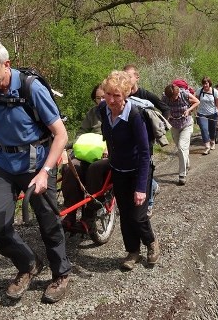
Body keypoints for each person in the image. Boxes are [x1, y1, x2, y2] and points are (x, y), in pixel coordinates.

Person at [0, 38, 71, 303]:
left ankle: (61, 273)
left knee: (49, 224)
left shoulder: (32, 89)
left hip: (38, 164)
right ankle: (29, 264)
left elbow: (61, 134)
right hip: (5, 167)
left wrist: (45, 171)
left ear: (6, 64)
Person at [99, 70, 160, 270]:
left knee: (137, 215)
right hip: (118, 169)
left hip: (138, 169)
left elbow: (144, 153)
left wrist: (141, 187)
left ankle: (151, 242)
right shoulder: (103, 109)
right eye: (108, 93)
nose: (111, 99)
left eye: (117, 95)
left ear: (125, 95)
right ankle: (132, 251)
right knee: (125, 213)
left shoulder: (135, 115)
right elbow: (107, 133)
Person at [61, 84, 110, 231]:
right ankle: (70, 213)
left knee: (94, 169)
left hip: (108, 152)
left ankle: (89, 215)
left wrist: (109, 147)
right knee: (71, 167)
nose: (101, 100)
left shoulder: (117, 111)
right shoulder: (92, 113)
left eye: (104, 97)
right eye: (98, 98)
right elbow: (81, 132)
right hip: (88, 150)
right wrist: (78, 145)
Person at [123, 64, 170, 217]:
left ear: (137, 77)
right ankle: (154, 186)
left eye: (129, 76)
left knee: (146, 167)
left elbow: (165, 108)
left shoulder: (146, 95)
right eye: (124, 76)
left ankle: (149, 203)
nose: (127, 79)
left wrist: (158, 129)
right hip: (128, 140)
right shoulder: (123, 95)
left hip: (146, 140)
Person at [162, 83, 199, 185]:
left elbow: (197, 101)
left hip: (186, 124)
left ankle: (182, 175)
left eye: (175, 96)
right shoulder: (165, 98)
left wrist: (188, 110)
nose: (174, 99)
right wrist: (167, 115)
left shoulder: (184, 94)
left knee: (182, 146)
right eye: (172, 97)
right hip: (174, 125)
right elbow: (163, 108)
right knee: (180, 148)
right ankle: (186, 163)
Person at [195, 76, 218, 155]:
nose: (205, 85)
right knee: (204, 129)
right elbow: (195, 101)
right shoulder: (199, 91)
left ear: (209, 83)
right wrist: (195, 112)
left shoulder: (215, 91)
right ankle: (207, 146)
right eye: (203, 83)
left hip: (213, 114)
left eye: (206, 83)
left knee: (212, 130)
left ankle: (212, 141)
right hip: (201, 113)